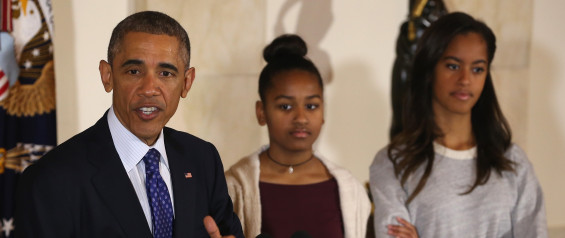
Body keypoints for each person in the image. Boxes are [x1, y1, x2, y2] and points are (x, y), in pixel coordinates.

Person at [14, 11, 243, 238]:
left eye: (165, 73)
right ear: (108, 76)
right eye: (134, 71)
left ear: (186, 82)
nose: (149, 89)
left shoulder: (202, 159)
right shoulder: (50, 180)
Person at [369, 12, 547, 238]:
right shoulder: (392, 163)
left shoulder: (513, 162)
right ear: (429, 69)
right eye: (453, 66)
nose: (465, 80)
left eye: (477, 69)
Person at [225, 34, 370, 238]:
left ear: (323, 112)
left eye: (311, 106)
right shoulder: (234, 186)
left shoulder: (348, 188)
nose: (301, 118)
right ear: (262, 112)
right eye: (285, 106)